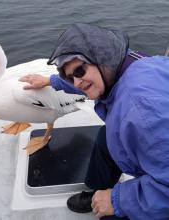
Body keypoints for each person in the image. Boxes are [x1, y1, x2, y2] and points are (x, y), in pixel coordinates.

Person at [19, 23, 169, 219]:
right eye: (69, 77)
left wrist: (116, 200)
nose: (77, 82)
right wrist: (51, 81)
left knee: (108, 213)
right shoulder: (131, 62)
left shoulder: (143, 114)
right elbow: (84, 81)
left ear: (101, 59)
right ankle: (96, 192)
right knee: (106, 138)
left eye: (79, 71)